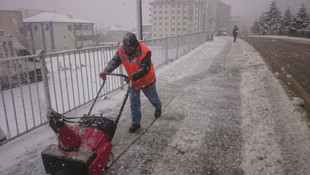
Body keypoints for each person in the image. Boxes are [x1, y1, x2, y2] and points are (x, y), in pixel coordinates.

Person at [100, 32, 162, 133]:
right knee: (134, 102)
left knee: (152, 98)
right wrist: (107, 70)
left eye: (131, 47)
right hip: (132, 80)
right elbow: (115, 60)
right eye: (126, 46)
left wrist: (132, 76)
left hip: (147, 80)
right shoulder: (121, 49)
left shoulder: (145, 51)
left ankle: (158, 107)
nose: (128, 49)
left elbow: (145, 69)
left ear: (135, 44)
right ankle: (136, 123)